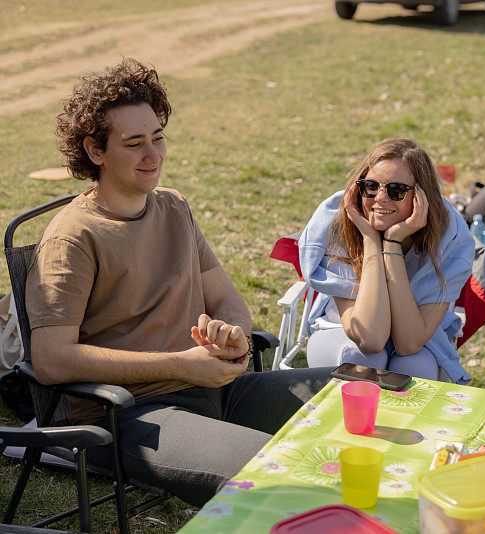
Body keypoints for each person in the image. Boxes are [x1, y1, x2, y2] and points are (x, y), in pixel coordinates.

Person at [25, 58, 333, 506]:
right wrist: (180, 365)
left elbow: (225, 295)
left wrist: (233, 335)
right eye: (134, 144)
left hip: (215, 386)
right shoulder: (73, 238)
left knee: (369, 389)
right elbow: (51, 360)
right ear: (95, 150)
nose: (154, 155)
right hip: (133, 415)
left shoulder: (173, 206)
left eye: (158, 137)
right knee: (277, 477)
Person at [298, 138, 474, 384]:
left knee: (414, 365)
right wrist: (370, 240)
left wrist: (391, 244)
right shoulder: (340, 223)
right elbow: (370, 339)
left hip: (420, 337)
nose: (380, 198)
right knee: (364, 359)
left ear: (421, 196)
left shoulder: (449, 237)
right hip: (341, 331)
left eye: (396, 190)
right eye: (371, 186)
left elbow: (409, 343)